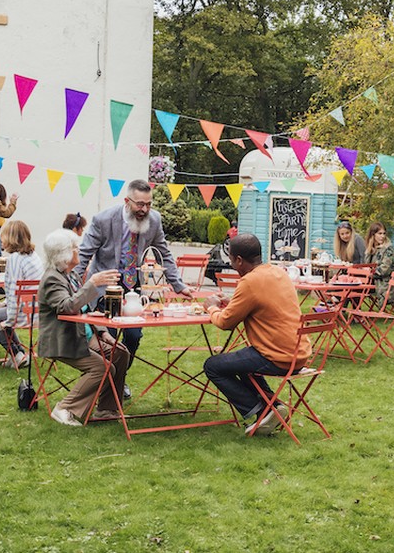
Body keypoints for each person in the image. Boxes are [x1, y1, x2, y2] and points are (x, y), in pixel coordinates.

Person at [73, 179, 194, 395]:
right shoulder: (104, 219)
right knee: (107, 337)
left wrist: (178, 285)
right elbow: (84, 254)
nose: (144, 209)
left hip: (132, 287)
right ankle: (105, 385)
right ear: (127, 201)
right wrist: (73, 287)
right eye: (140, 204)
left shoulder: (154, 220)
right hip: (105, 285)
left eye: (148, 204)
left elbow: (164, 254)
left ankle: (120, 379)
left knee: (133, 336)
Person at [203, 234, 307, 437]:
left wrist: (211, 308)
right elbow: (261, 299)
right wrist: (233, 300)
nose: (231, 264)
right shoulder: (278, 272)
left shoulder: (249, 281)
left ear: (239, 260)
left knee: (213, 366)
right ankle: (273, 406)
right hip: (299, 352)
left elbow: (225, 322)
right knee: (243, 360)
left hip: (278, 357)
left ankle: (259, 410)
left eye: (231, 260)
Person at [38, 229, 128, 426]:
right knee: (102, 367)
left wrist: (103, 331)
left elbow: (85, 308)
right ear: (64, 254)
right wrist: (92, 283)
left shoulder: (70, 276)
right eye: (74, 248)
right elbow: (67, 306)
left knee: (120, 353)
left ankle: (106, 409)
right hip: (64, 340)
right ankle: (65, 407)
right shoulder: (52, 279)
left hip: (84, 336)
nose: (78, 250)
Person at [0, 220, 40, 368]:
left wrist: (9, 321)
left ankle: (16, 353)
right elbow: (22, 291)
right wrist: (3, 303)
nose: (1, 239)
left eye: (3, 236)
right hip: (38, 310)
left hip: (25, 312)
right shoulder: (34, 256)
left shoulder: (15, 259)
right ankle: (19, 354)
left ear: (11, 238)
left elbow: (15, 297)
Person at [365, 221, 394, 306]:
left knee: (356, 288)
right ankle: (352, 313)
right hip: (375, 281)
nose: (382, 236)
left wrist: (368, 273)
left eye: (384, 233)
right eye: (379, 233)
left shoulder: (388, 249)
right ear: (373, 235)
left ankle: (353, 314)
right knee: (352, 287)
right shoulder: (373, 249)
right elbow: (367, 265)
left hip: (386, 284)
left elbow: (383, 270)